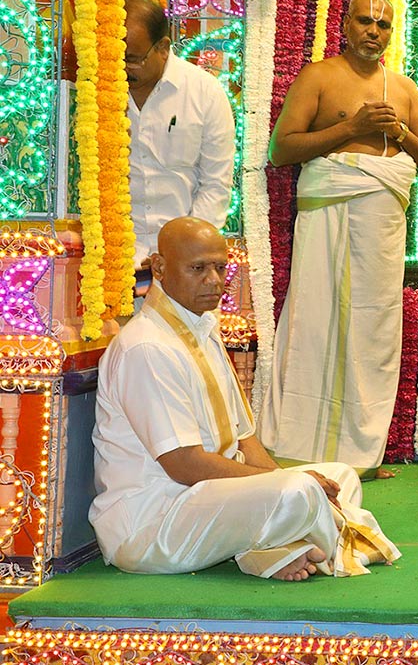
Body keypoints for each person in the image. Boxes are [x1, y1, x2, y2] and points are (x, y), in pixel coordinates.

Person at [89, 217, 399, 580]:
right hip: (153, 522)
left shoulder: (202, 328)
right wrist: (280, 486)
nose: (214, 281)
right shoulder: (146, 346)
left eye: (220, 268)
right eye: (198, 268)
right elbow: (184, 465)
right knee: (300, 491)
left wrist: (276, 482)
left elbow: (244, 438)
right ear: (159, 267)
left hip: (206, 500)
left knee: (339, 475)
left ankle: (274, 550)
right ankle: (298, 543)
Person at [260, 0, 418, 477]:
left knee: (372, 332)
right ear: (345, 24)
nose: (373, 32)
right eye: (365, 21)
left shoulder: (403, 89)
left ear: (391, 33)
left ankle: (361, 453)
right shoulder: (318, 77)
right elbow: (282, 150)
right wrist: (354, 128)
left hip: (381, 228)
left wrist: (400, 134)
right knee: (317, 322)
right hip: (329, 217)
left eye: (383, 26)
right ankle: (300, 450)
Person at [124, 0, 235, 267]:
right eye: (114, 56)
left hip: (185, 261)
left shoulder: (204, 92)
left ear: (162, 47)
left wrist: (182, 251)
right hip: (115, 257)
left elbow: (215, 185)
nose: (123, 68)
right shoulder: (96, 89)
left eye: (133, 58)